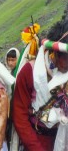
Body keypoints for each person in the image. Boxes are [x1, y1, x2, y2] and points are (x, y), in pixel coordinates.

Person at [12, 17, 68, 151]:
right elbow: (19, 116)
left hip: (61, 140)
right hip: (34, 141)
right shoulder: (29, 72)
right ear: (55, 53)